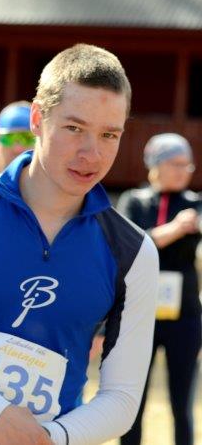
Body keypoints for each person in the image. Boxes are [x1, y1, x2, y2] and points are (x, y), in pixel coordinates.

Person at [0, 43, 159, 445]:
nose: (91, 153)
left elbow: (122, 398)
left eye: (109, 135)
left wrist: (50, 437)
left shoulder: (133, 252)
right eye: (74, 128)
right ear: (37, 119)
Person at [118, 133, 201, 445]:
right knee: (133, 401)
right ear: (156, 164)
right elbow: (131, 245)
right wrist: (175, 229)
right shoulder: (134, 201)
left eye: (187, 165)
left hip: (185, 317)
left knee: (182, 402)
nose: (183, 171)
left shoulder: (195, 204)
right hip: (141, 316)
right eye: (175, 163)